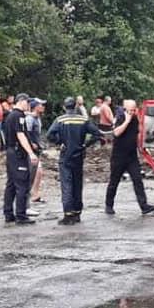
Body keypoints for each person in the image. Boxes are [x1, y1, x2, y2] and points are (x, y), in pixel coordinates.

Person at [47, 96, 105, 225]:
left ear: (64, 107)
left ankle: (68, 214)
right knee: (77, 183)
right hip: (79, 155)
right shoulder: (83, 120)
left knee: (66, 184)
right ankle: (77, 212)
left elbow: (49, 135)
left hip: (66, 154)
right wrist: (85, 144)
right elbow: (97, 134)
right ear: (76, 106)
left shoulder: (60, 120)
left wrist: (59, 142)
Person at [105, 99, 154, 216]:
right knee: (114, 181)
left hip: (131, 156)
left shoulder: (134, 118)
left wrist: (142, 148)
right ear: (125, 109)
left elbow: (137, 134)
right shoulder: (120, 117)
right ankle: (109, 205)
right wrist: (126, 121)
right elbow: (116, 133)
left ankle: (144, 206)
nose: (133, 112)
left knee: (138, 180)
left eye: (134, 110)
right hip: (118, 156)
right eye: (130, 110)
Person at [2, 94, 38, 225]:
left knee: (11, 184)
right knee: (22, 184)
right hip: (18, 154)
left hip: (11, 152)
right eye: (27, 102)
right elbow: (20, 134)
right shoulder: (18, 116)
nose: (28, 105)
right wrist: (30, 153)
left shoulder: (11, 115)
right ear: (21, 101)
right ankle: (21, 215)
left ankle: (8, 213)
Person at [28, 97, 47, 203]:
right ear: (35, 107)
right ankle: (32, 195)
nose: (43, 107)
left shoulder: (37, 118)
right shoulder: (30, 119)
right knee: (35, 172)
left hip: (37, 148)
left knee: (38, 172)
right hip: (31, 149)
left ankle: (35, 194)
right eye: (41, 105)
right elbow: (26, 133)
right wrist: (31, 144)